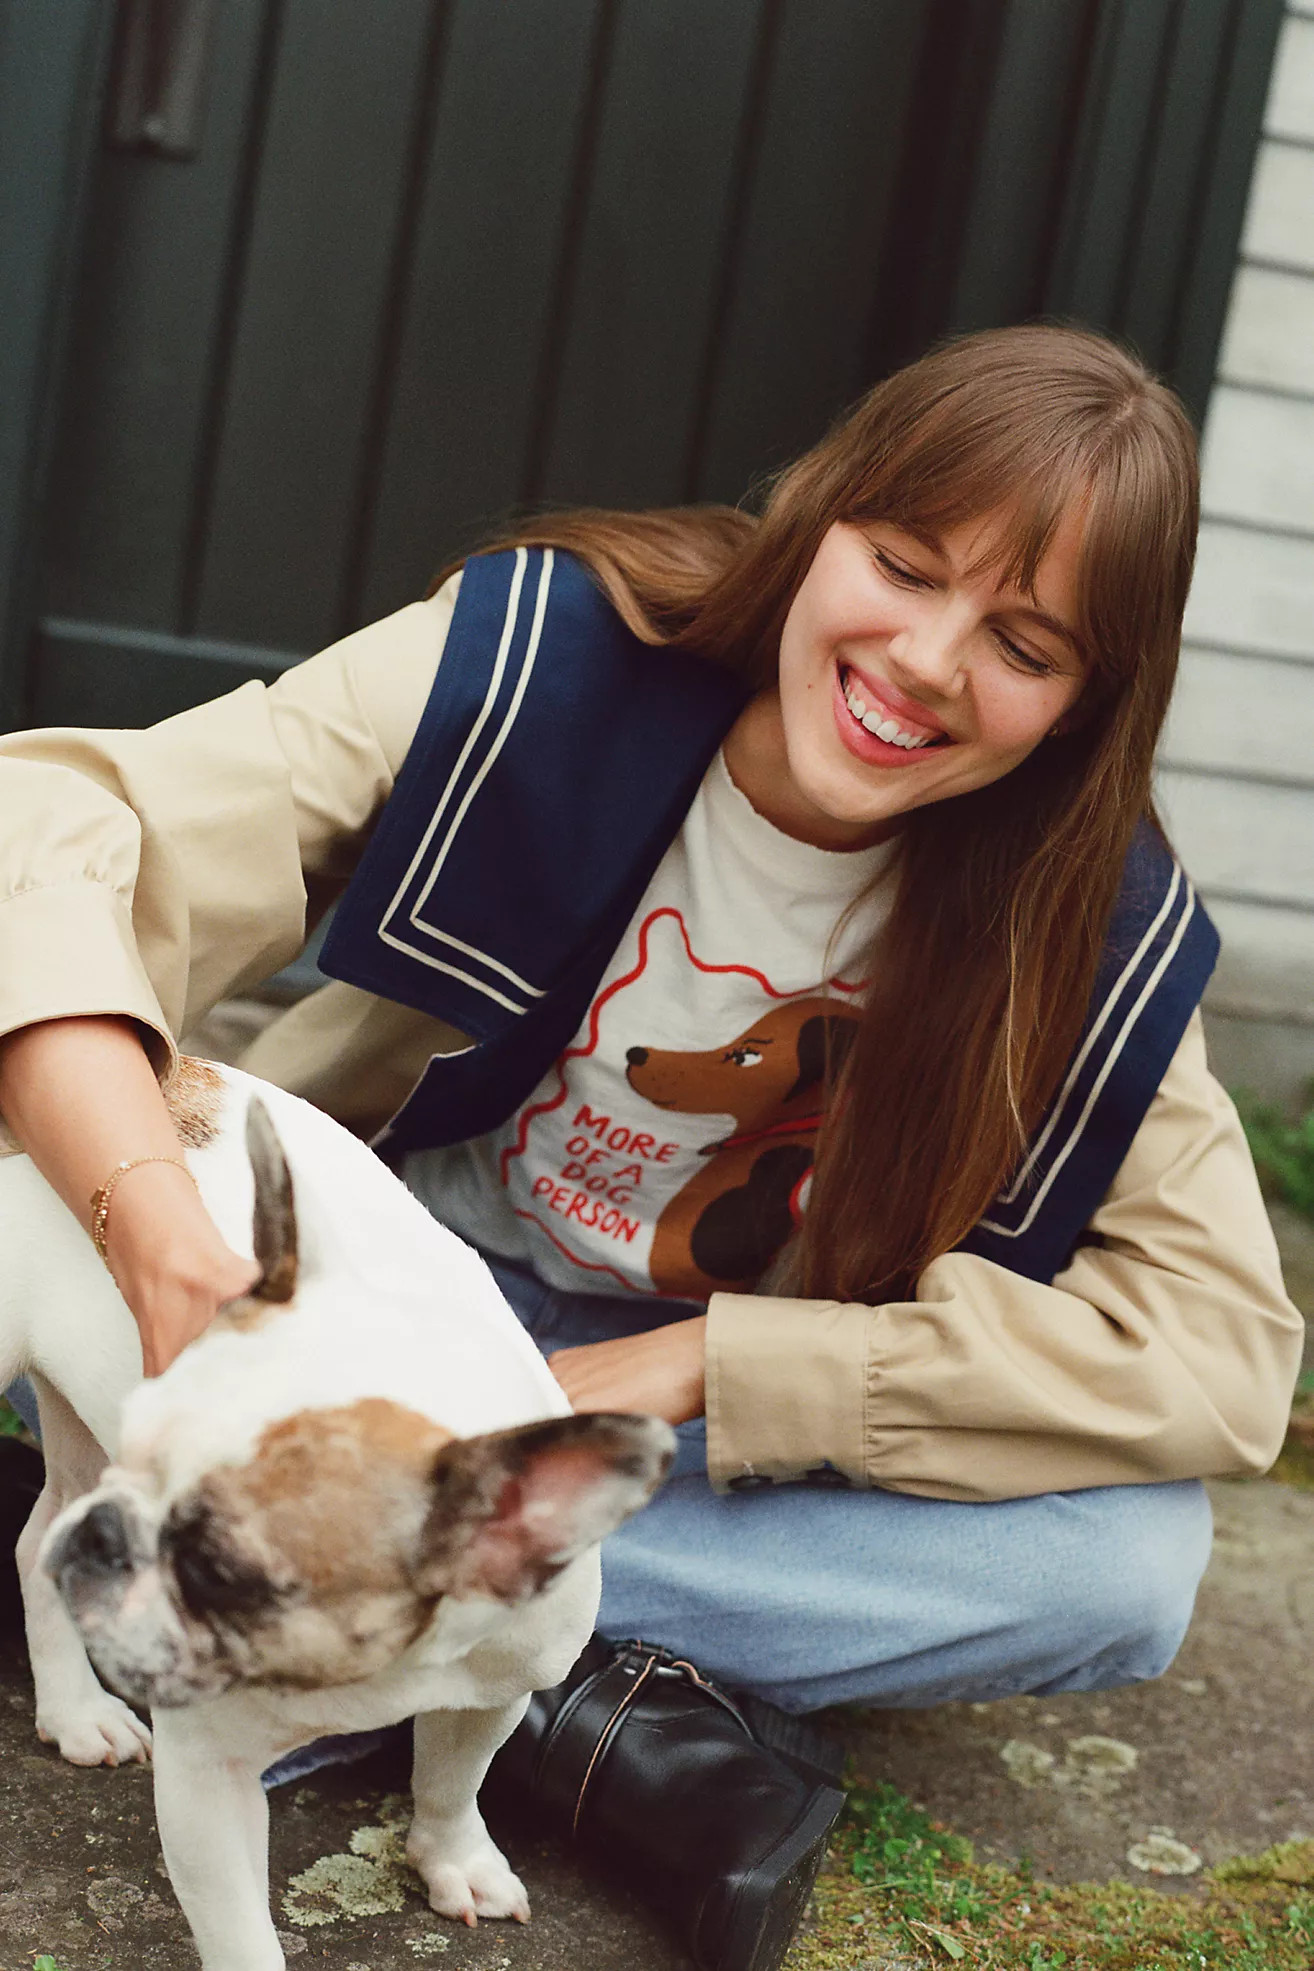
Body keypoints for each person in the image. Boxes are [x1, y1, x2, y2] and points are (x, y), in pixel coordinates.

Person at [0, 324, 1301, 1971]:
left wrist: (707, 1366)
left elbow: (1221, 1357)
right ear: (817, 518)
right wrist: (147, 1225)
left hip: (610, 1425)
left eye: (1024, 645)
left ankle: (347, 1616)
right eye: (901, 566)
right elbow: (50, 831)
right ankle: (485, 1668)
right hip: (391, 1308)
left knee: (1121, 1566)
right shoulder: (542, 660)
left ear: (1084, 705)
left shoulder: (1084, 926)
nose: (922, 660)